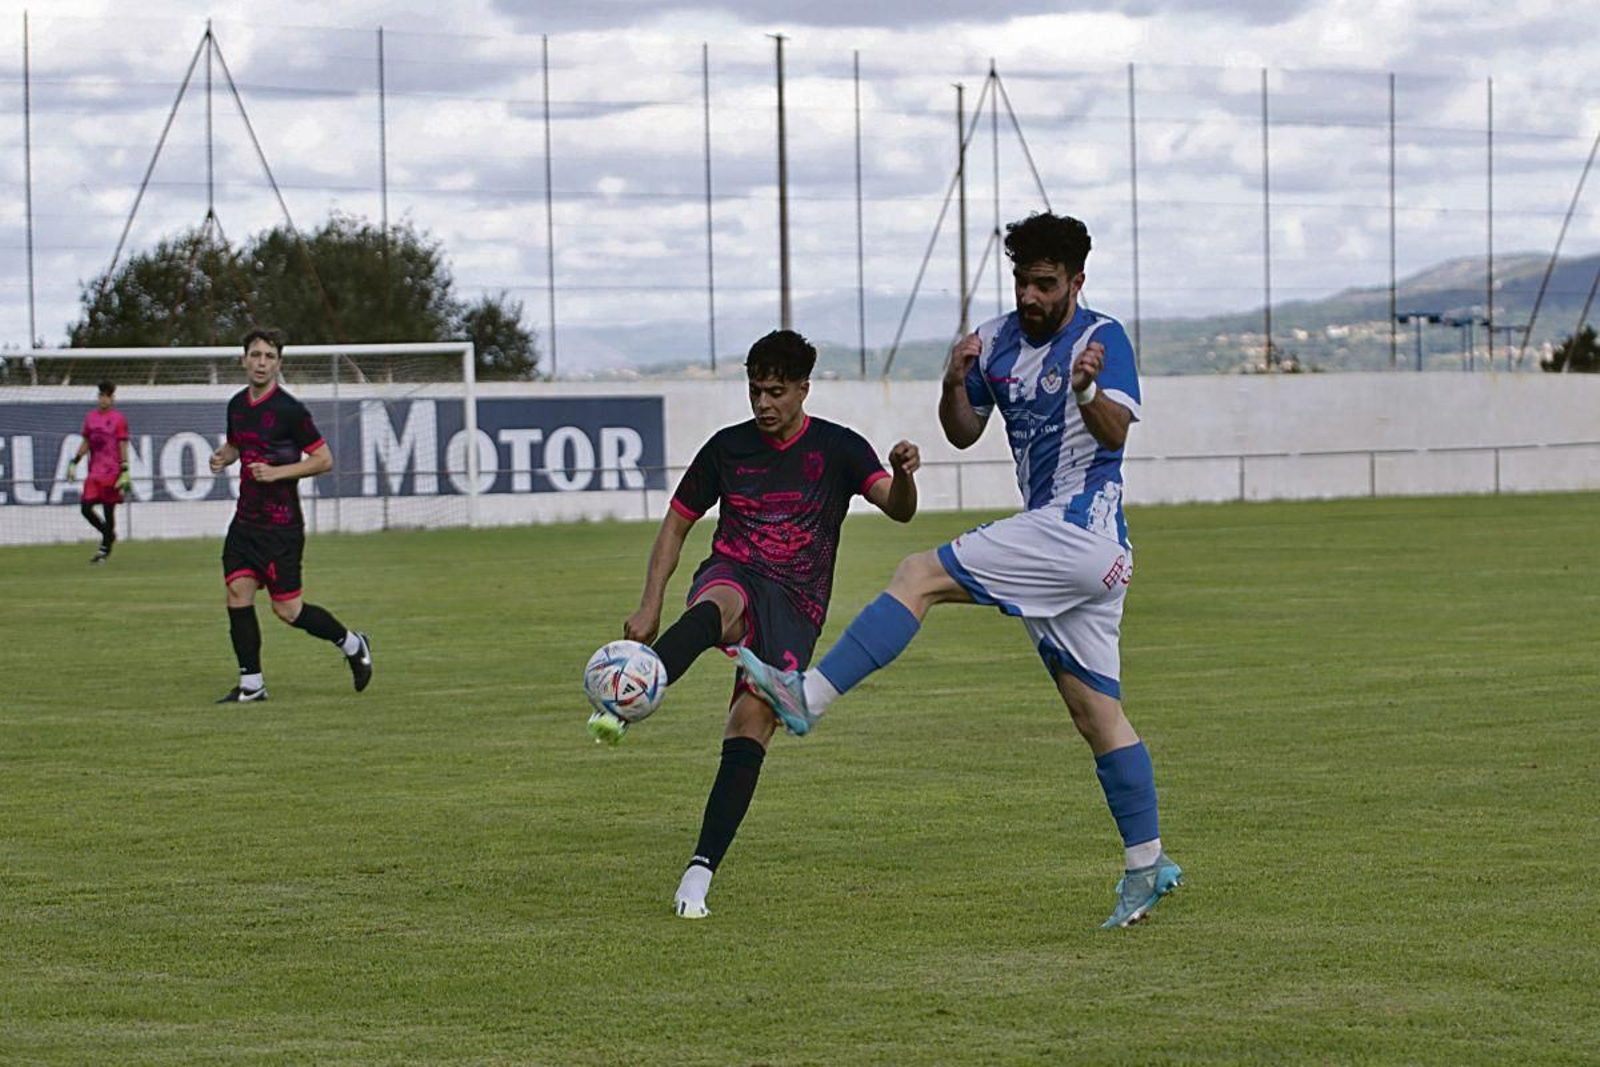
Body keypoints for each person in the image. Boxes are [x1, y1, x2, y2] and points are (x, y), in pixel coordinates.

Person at [739, 213, 1182, 929]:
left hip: (1080, 532)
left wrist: (1086, 392)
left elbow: (1115, 435)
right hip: (1072, 551)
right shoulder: (997, 342)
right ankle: (1145, 865)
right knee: (1094, 712)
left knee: (919, 572)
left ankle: (807, 697)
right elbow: (963, 430)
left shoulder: (1103, 339)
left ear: (1076, 281)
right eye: (1022, 281)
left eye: (1046, 283)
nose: (1031, 295)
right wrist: (954, 380)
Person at [599, 329, 920, 920]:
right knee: (718, 605)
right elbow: (676, 524)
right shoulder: (727, 449)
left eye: (776, 391)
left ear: (803, 388)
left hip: (797, 606)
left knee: (749, 728)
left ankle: (698, 874)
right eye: (755, 391)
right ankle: (631, 690)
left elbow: (898, 509)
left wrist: (903, 474)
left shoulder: (841, 448)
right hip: (736, 571)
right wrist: (650, 603)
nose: (764, 403)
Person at [208, 327, 373, 704]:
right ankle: (252, 684)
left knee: (287, 609)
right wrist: (222, 456)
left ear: (279, 363)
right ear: (244, 359)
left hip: (281, 526)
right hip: (245, 521)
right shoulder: (236, 405)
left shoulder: (290, 410)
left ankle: (352, 643)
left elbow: (324, 459)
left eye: (269, 356)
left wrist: (277, 473)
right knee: (236, 592)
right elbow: (237, 445)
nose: (261, 362)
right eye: (255, 354)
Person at [66, 380, 131, 564]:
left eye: (107, 396)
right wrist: (74, 462)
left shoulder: (119, 419)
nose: (104, 399)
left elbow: (122, 444)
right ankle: (108, 534)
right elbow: (86, 442)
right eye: (101, 395)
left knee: (109, 511)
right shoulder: (91, 418)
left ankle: (104, 550)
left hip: (112, 472)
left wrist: (125, 469)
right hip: (94, 472)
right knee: (86, 508)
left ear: (112, 398)